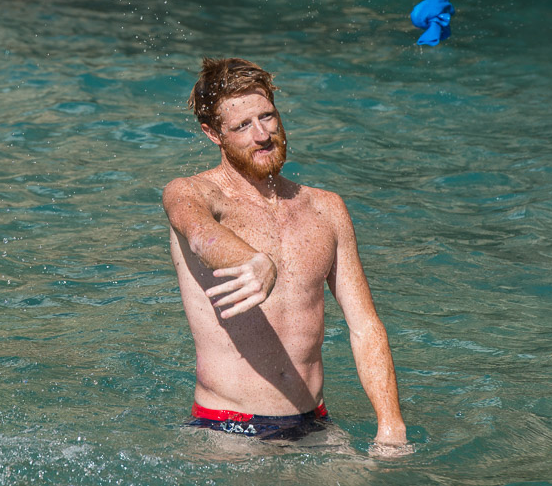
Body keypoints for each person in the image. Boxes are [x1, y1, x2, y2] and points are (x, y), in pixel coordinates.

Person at [162, 57, 407, 446]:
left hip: (316, 424)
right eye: (242, 125)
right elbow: (199, 235)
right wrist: (251, 260)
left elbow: (365, 327)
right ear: (214, 134)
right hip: (227, 427)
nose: (262, 134)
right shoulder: (191, 193)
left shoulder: (327, 208)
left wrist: (390, 425)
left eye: (267, 117)